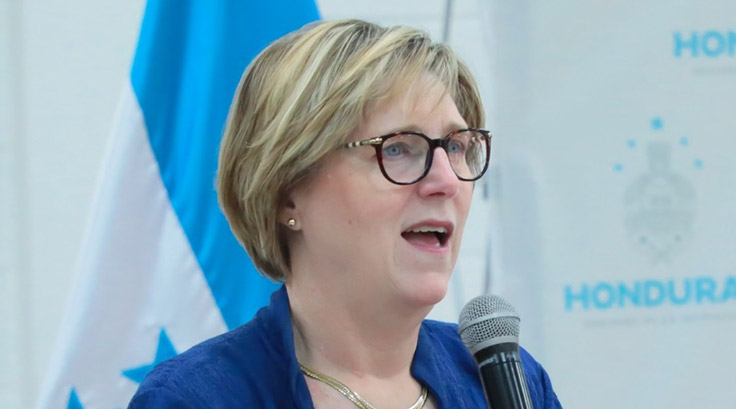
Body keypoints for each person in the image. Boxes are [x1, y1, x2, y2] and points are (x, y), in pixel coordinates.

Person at [128, 19, 562, 409]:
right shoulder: (196, 399)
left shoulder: (510, 384)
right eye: (398, 149)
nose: (447, 180)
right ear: (287, 194)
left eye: (456, 146)